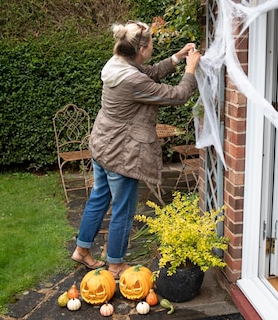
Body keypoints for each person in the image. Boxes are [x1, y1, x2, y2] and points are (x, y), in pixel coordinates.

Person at [71, 20, 201, 278]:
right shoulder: (132, 81)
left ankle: (82, 250)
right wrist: (191, 70)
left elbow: (148, 73)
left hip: (103, 144)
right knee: (123, 208)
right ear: (141, 50)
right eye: (151, 43)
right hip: (121, 153)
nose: (153, 46)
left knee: (99, 198)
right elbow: (177, 95)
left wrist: (176, 58)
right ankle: (116, 264)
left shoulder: (116, 64)